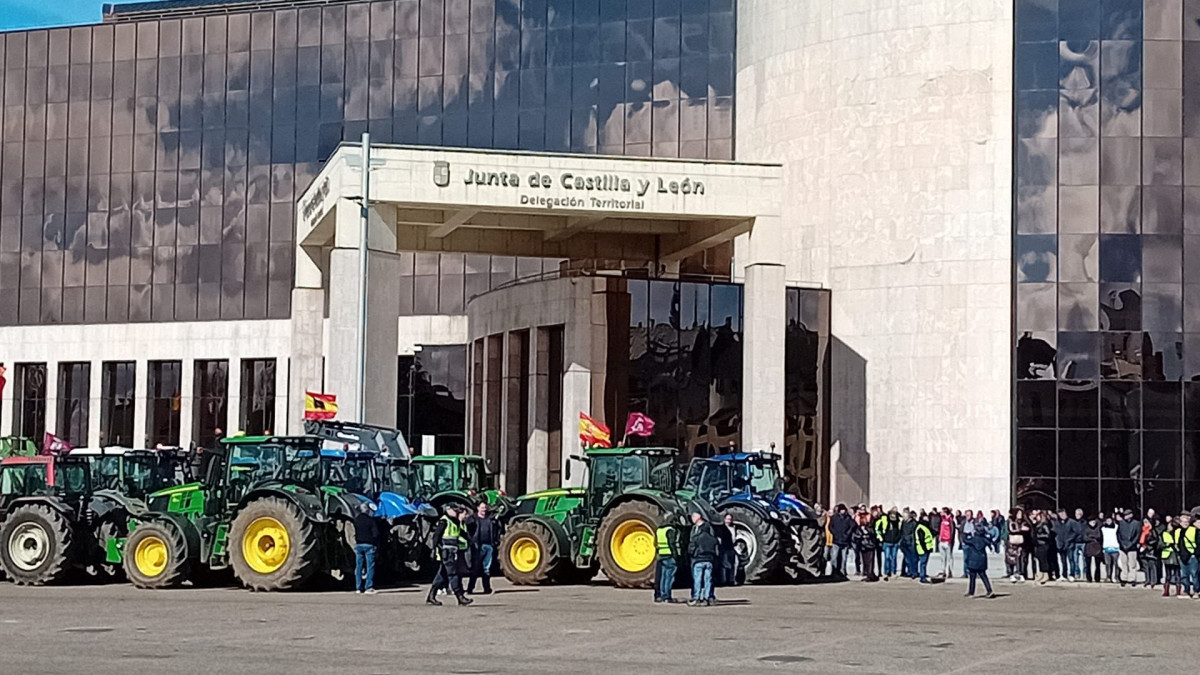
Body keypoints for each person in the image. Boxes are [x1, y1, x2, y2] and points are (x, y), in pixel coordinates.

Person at [427, 505, 473, 606]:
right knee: (453, 574)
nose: (457, 512)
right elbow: (436, 537)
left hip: (452, 552)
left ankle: (431, 596)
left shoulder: (454, 521)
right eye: (455, 510)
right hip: (447, 553)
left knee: (442, 575)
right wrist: (436, 550)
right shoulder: (444, 521)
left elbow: (462, 534)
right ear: (448, 510)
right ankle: (460, 597)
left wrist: (470, 540)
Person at [466, 501, 499, 595]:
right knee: (475, 568)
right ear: (478, 508)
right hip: (477, 546)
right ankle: (470, 588)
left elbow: (496, 530)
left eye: (485, 508)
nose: (484, 509)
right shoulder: (472, 519)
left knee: (487, 568)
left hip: (489, 545)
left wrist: (495, 541)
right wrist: (471, 541)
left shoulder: (490, 519)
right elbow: (468, 529)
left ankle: (487, 588)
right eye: (482, 507)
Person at [687, 512, 718, 606]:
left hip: (698, 560)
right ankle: (707, 597)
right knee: (708, 580)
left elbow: (691, 548)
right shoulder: (713, 539)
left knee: (697, 579)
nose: (692, 519)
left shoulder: (697, 538)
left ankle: (696, 597)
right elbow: (716, 548)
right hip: (709, 560)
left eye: (693, 516)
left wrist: (693, 554)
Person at [962, 518, 996, 598]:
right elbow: (990, 542)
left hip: (973, 560)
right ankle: (989, 590)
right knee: (984, 576)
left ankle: (971, 592)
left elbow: (965, 540)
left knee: (972, 577)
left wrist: (966, 534)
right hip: (982, 560)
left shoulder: (973, 539)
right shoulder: (985, 539)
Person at [352, 501, 381, 595]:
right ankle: (368, 587)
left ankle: (358, 587)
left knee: (359, 567)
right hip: (369, 545)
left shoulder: (356, 520)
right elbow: (376, 534)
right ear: (368, 510)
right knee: (370, 566)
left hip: (358, 545)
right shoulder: (371, 520)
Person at [653, 515, 682, 603]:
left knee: (663, 577)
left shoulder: (659, 530)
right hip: (669, 555)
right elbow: (672, 544)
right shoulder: (670, 530)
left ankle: (662, 595)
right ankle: (667, 596)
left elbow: (655, 543)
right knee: (669, 577)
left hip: (661, 555)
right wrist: (676, 556)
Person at [1116, 509, 1141, 587]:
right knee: (1124, 563)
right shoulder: (1121, 523)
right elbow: (1118, 535)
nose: (1125, 516)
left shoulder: (1136, 524)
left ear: (1131, 515)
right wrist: (1122, 544)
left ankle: (1132, 579)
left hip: (1132, 546)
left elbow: (1137, 535)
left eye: (1127, 515)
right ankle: (1124, 578)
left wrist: (1131, 544)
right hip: (1123, 546)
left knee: (1132, 564)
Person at [852, 509, 879, 582]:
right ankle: (867, 573)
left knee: (870, 560)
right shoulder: (857, 527)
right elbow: (855, 534)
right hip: (862, 544)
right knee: (865, 560)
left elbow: (873, 533)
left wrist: (866, 531)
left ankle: (870, 574)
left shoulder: (871, 525)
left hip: (870, 544)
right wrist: (861, 535)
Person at [876, 507, 902, 580]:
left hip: (895, 542)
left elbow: (901, 530)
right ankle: (887, 572)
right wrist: (881, 538)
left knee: (893, 557)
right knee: (887, 557)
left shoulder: (899, 520)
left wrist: (899, 539)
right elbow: (878, 528)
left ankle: (893, 571)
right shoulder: (884, 519)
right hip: (886, 541)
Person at [828, 504, 855, 577]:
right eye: (841, 510)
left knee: (844, 558)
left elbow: (852, 526)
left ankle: (843, 571)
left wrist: (847, 534)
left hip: (845, 541)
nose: (843, 511)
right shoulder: (834, 518)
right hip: (836, 540)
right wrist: (834, 533)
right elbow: (830, 527)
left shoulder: (848, 518)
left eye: (844, 510)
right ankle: (834, 571)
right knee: (834, 557)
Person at [1177, 513, 1198, 599]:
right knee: (1184, 575)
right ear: (1180, 523)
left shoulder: (1194, 530)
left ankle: (1197, 591)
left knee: (1194, 574)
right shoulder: (1177, 531)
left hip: (1192, 555)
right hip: (1182, 555)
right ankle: (1186, 591)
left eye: (1187, 522)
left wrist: (1195, 553)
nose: (1185, 523)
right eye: (1183, 522)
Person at [1004, 509, 1028, 582]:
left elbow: (1027, 528)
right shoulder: (1011, 521)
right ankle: (1011, 573)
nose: (1020, 515)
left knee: (1020, 558)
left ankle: (1020, 573)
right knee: (1011, 558)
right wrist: (1020, 529)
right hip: (1012, 541)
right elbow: (1011, 530)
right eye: (1018, 513)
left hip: (1020, 542)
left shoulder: (1024, 521)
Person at [716, 513, 739, 586]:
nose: (729, 521)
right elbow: (719, 539)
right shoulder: (721, 528)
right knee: (724, 564)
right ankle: (724, 580)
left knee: (734, 564)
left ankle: (732, 580)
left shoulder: (734, 528)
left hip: (732, 548)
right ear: (724, 519)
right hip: (724, 549)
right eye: (727, 519)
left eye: (730, 519)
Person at [1032, 511, 1054, 584]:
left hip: (1044, 544)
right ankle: (1041, 574)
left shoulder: (1044, 525)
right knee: (1040, 560)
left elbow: (1048, 535)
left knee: (1044, 560)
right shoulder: (1038, 525)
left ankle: (1046, 574)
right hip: (1038, 544)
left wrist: (1039, 536)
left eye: (1038, 516)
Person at [1160, 519, 1180, 598]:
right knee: (1168, 574)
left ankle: (1178, 590)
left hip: (1175, 554)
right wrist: (1166, 544)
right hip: (1167, 555)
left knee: (1177, 574)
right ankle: (1166, 590)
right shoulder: (1164, 533)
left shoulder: (1177, 532)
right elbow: (1160, 544)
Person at [1138, 515, 1159, 589]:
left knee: (1152, 566)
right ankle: (1147, 580)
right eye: (1144, 522)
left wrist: (1147, 546)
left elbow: (1155, 541)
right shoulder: (1143, 531)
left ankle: (1153, 580)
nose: (1145, 524)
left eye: (1146, 522)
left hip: (1150, 551)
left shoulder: (1152, 531)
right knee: (1145, 566)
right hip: (1143, 551)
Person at [915, 515, 936, 583]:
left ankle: (923, 574)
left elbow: (932, 533)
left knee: (924, 563)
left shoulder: (926, 527)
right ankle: (922, 577)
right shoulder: (920, 528)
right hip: (922, 549)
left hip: (927, 548)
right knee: (923, 563)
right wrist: (925, 549)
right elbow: (921, 540)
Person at [1082, 515, 1104, 583]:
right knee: (1088, 564)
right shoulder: (1085, 528)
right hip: (1089, 548)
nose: (1093, 523)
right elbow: (1084, 538)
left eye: (1094, 521)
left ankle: (1097, 578)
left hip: (1097, 548)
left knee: (1097, 564)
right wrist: (1093, 539)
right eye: (1091, 522)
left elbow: (1099, 536)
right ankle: (1089, 578)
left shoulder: (1098, 528)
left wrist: (1091, 537)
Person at [937, 507, 956, 579]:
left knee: (949, 558)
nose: (940, 513)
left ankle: (949, 571)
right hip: (941, 540)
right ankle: (942, 571)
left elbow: (952, 531)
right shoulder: (942, 520)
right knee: (942, 558)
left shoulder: (950, 521)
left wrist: (950, 541)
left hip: (947, 541)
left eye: (942, 512)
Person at [900, 510, 919, 579]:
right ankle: (909, 571)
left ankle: (914, 572)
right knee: (907, 559)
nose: (903, 517)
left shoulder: (914, 523)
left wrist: (911, 540)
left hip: (911, 543)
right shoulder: (903, 522)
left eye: (904, 516)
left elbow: (914, 533)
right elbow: (902, 531)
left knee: (913, 559)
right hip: (904, 543)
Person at [1101, 515, 1119, 583]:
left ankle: (1116, 577)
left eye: (1110, 520)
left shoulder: (1116, 527)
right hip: (1106, 548)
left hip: (1115, 548)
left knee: (1116, 564)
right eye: (1107, 521)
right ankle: (1108, 576)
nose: (1109, 522)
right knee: (1108, 564)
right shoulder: (1103, 529)